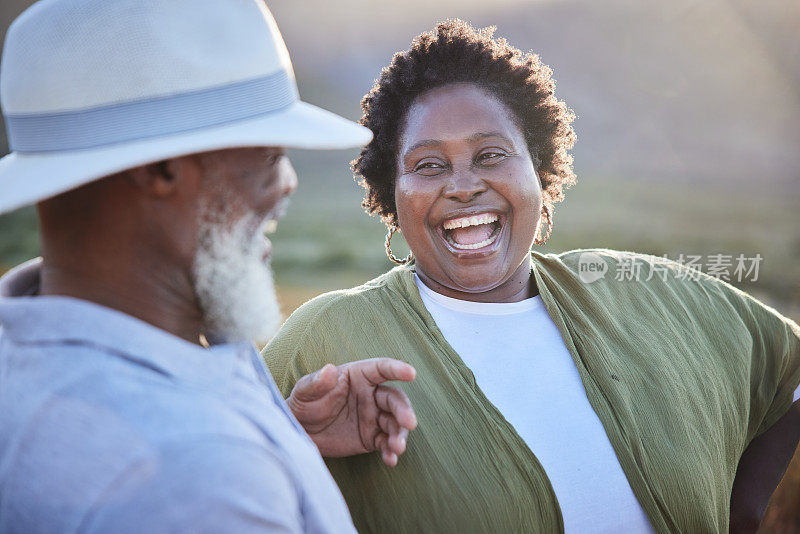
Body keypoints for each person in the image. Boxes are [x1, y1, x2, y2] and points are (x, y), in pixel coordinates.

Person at [264, 20, 800, 533]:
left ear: (539, 171)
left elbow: (787, 363)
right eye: (429, 165)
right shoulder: (327, 340)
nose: (464, 185)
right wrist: (292, 444)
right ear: (390, 193)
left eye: (492, 155)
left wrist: (745, 513)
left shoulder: (639, 292)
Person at [0, 1, 417, 532]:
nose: (288, 181)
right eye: (268, 155)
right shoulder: (201, 474)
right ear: (162, 168)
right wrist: (241, 461)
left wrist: (278, 435)